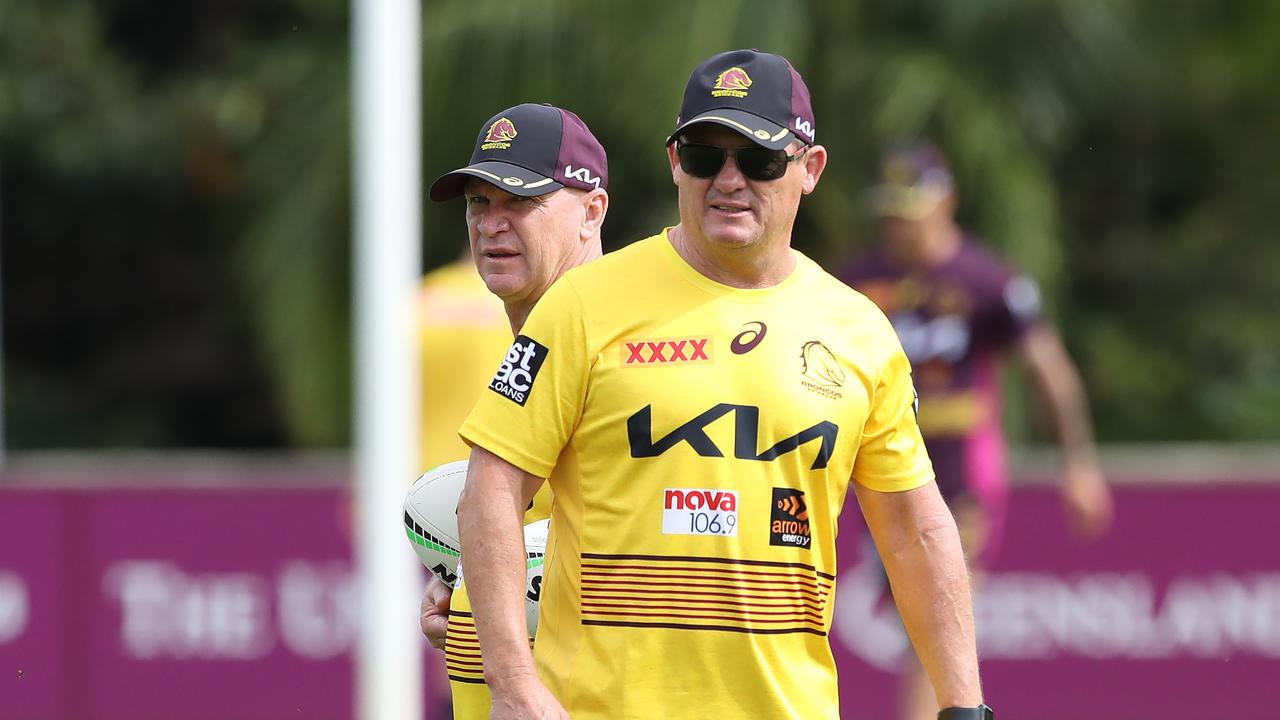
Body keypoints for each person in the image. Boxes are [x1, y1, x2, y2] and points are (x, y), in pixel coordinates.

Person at [457, 49, 991, 720]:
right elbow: (492, 492)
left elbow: (915, 531)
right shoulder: (582, 305)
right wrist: (511, 683)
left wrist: (964, 707)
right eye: (706, 155)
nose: (729, 180)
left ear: (810, 168)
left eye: (760, 159)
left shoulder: (860, 331)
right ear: (676, 161)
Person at [839, 142, 1112, 719]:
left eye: (909, 209)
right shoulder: (855, 282)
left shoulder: (987, 281)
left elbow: (1051, 375)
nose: (899, 225)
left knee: (938, 610)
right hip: (873, 467)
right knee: (908, 617)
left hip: (961, 469)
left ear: (946, 201)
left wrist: (1080, 466)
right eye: (889, 211)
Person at [418, 101, 609, 719]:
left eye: (520, 202)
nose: (491, 225)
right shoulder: (535, 342)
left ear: (592, 211)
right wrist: (474, 591)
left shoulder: (621, 343)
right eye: (479, 203)